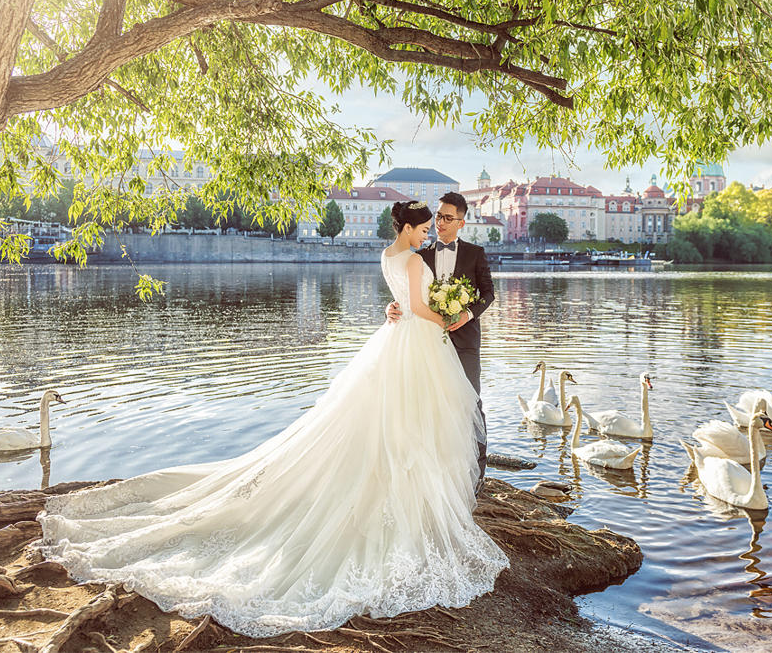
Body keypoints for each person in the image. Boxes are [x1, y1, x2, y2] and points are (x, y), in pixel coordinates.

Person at [36, 200, 508, 637]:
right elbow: (416, 304)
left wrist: (425, 311)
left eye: (435, 227)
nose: (430, 235)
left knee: (412, 421)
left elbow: (426, 299)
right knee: (404, 422)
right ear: (408, 227)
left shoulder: (401, 254)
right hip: (417, 340)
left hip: (411, 341)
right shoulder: (410, 258)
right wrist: (439, 315)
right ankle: (405, 503)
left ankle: (433, 496)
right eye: (424, 228)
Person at [386, 191, 495, 483]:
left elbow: (489, 294)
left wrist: (467, 315)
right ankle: (440, 472)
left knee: (470, 403)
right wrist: (390, 307)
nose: (440, 222)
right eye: (438, 216)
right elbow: (408, 296)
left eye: (448, 218)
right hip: (430, 343)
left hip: (466, 342)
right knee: (431, 405)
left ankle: (478, 474)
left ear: (461, 223)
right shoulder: (418, 254)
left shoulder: (475, 254)